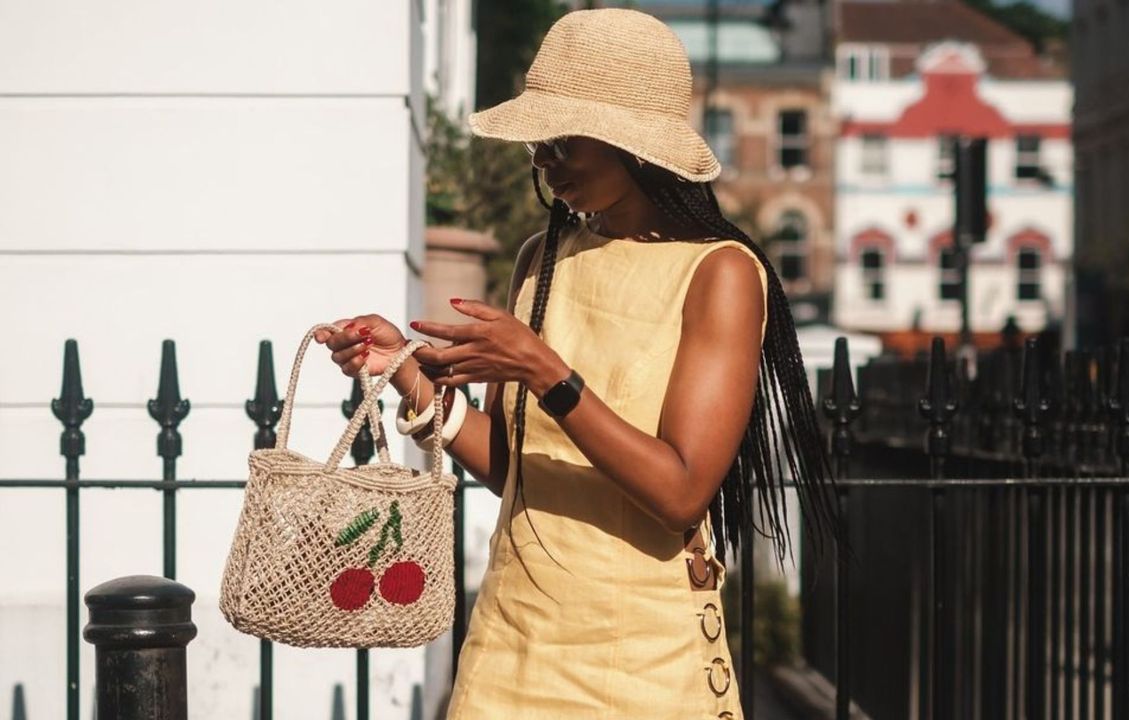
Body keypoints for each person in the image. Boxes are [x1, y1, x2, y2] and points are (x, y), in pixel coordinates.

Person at [313, 8, 840, 718]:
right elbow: (512, 465)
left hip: (643, 659)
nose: (543, 161)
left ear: (632, 143)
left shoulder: (720, 272)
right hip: (511, 643)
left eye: (562, 140)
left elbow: (682, 493)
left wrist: (549, 376)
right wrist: (404, 371)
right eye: (538, 141)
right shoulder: (541, 260)